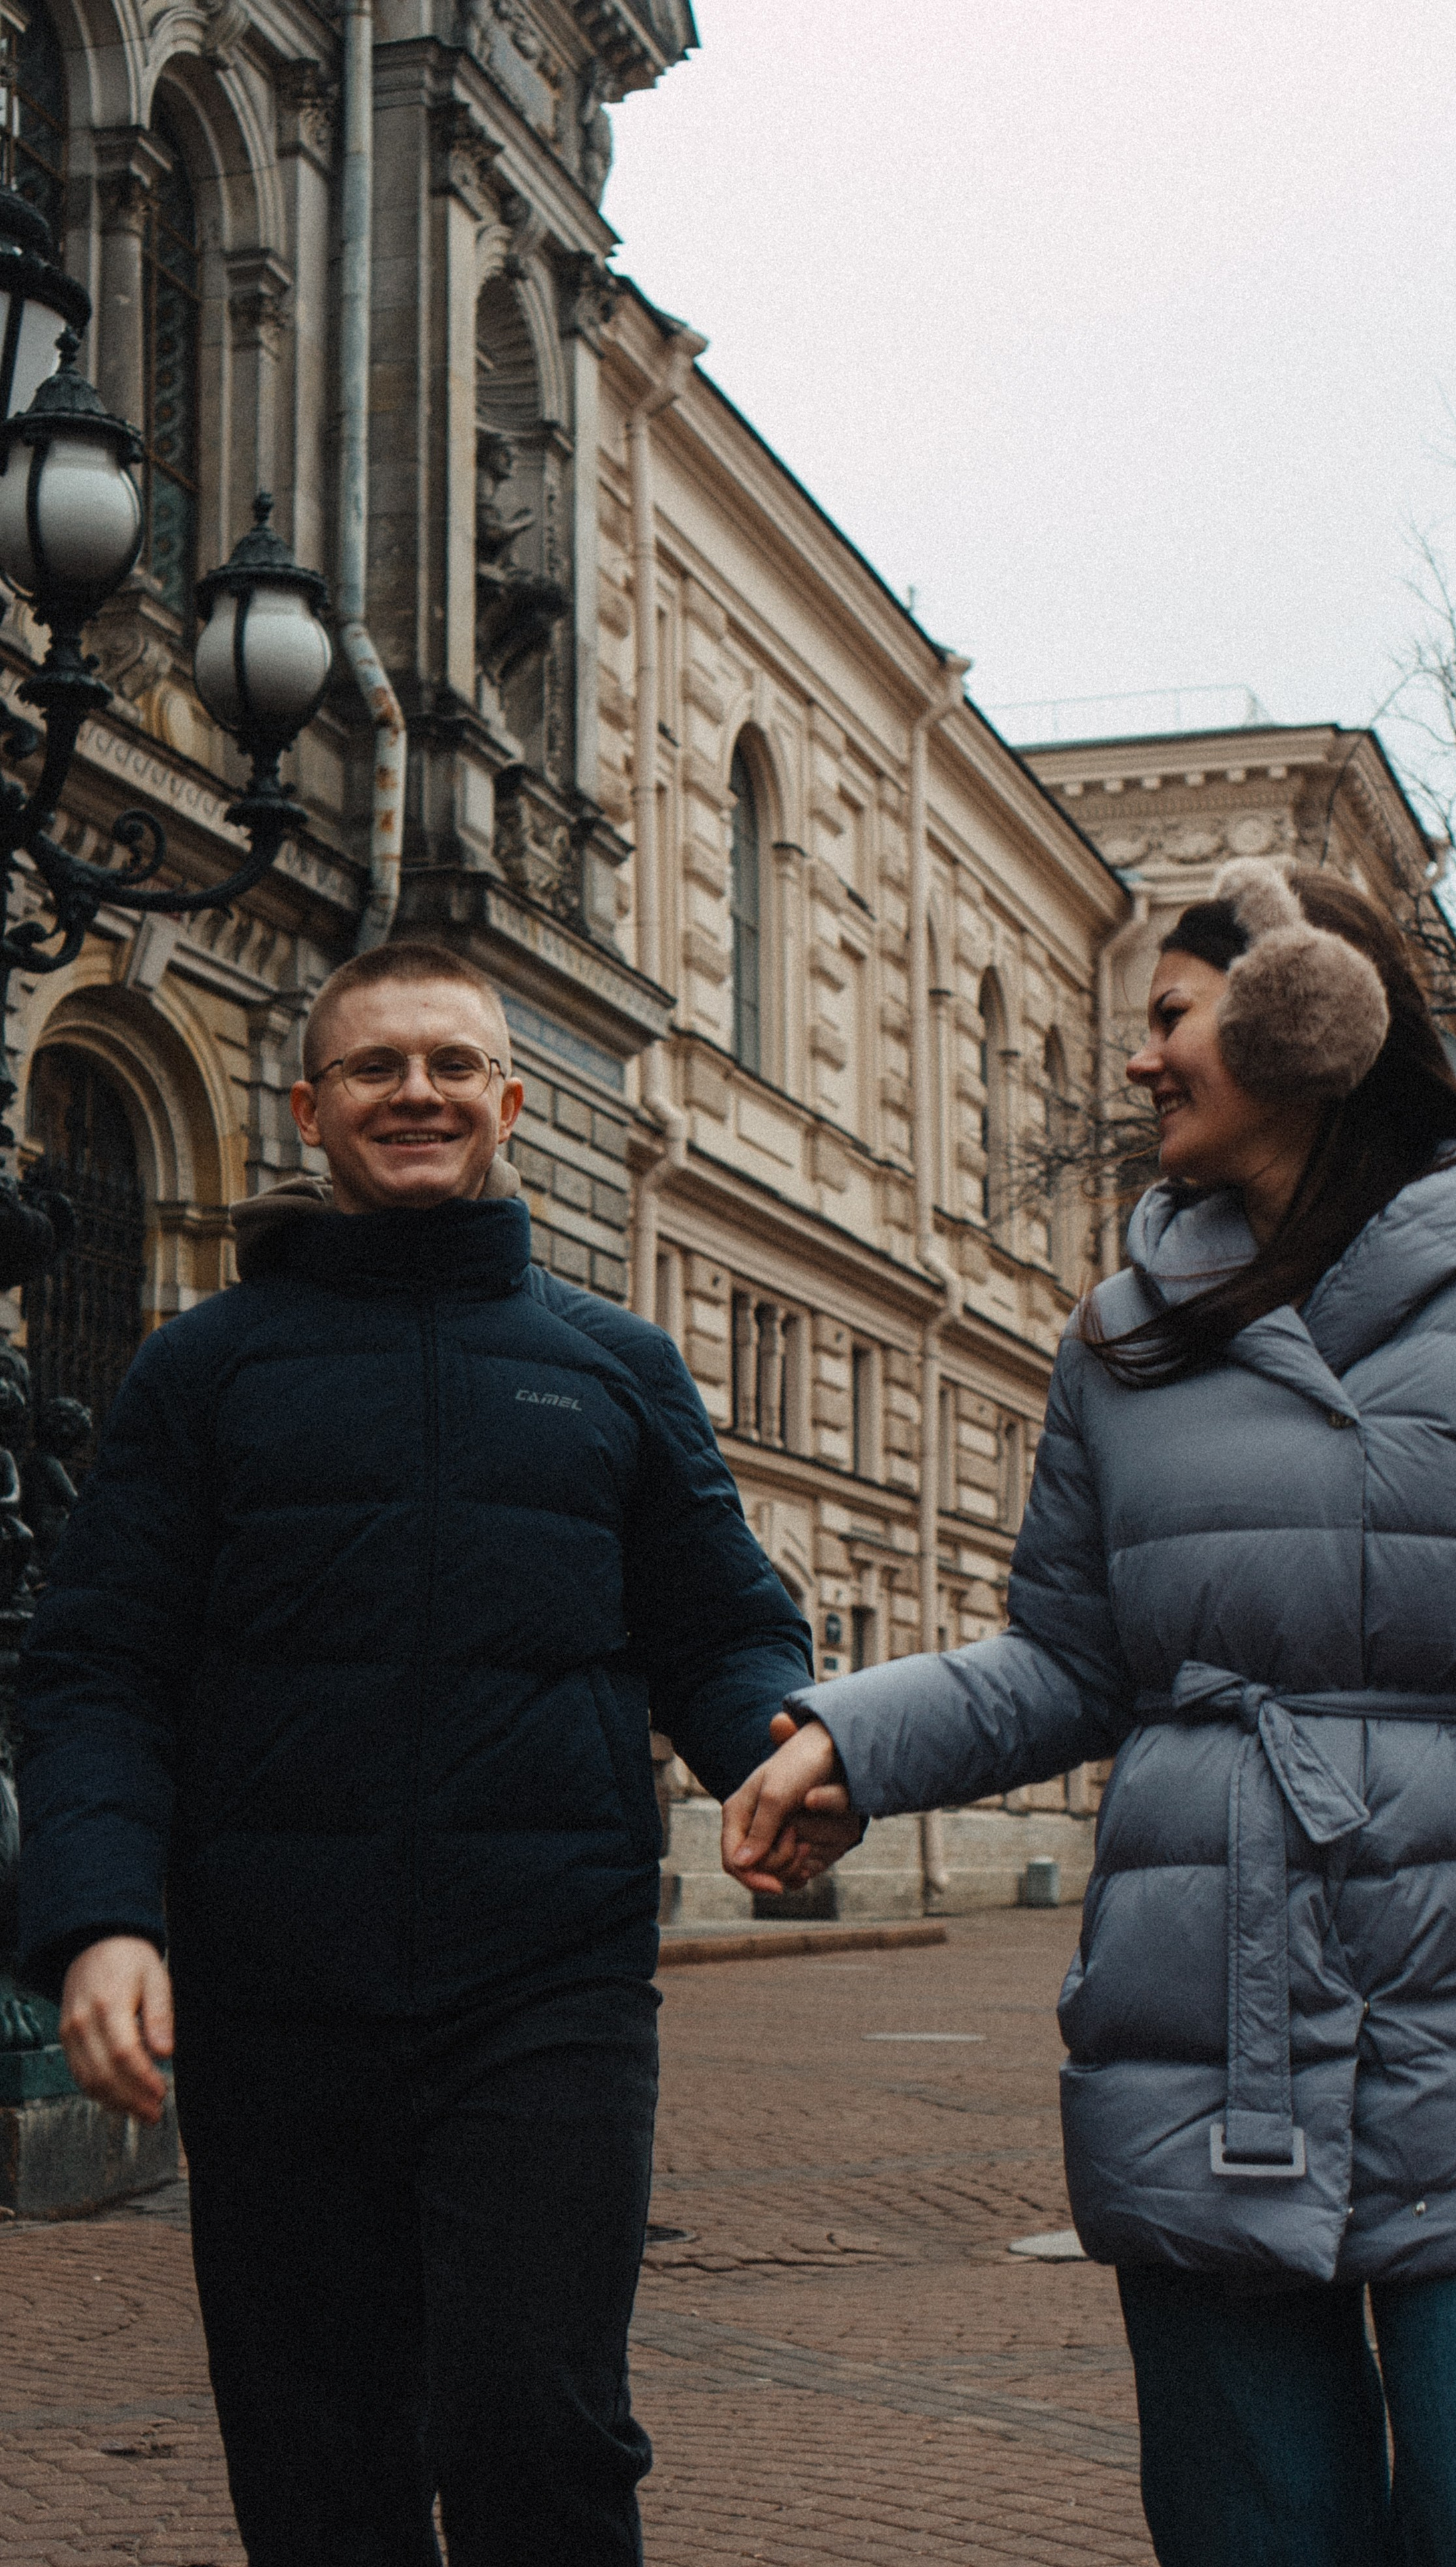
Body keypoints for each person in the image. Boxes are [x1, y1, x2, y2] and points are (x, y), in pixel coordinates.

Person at [724, 859, 1456, 2567]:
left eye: (1168, 1018)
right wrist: (849, 1738)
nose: (1139, 1060)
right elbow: (1063, 1662)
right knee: (1253, 2533)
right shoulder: (1119, 1343)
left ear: (1300, 1021)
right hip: (1208, 2008)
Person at [15, 939, 842, 2567]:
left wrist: (788, 1746)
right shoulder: (206, 1370)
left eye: (452, 1065)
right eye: (379, 1068)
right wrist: (105, 1915)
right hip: (272, 1996)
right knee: (317, 2448)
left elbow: (726, 1627)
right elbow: (97, 1666)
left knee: (538, 2424)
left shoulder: (617, 1368)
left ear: (511, 1102)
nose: (419, 1093)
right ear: (312, 1110)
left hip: (546, 1993)